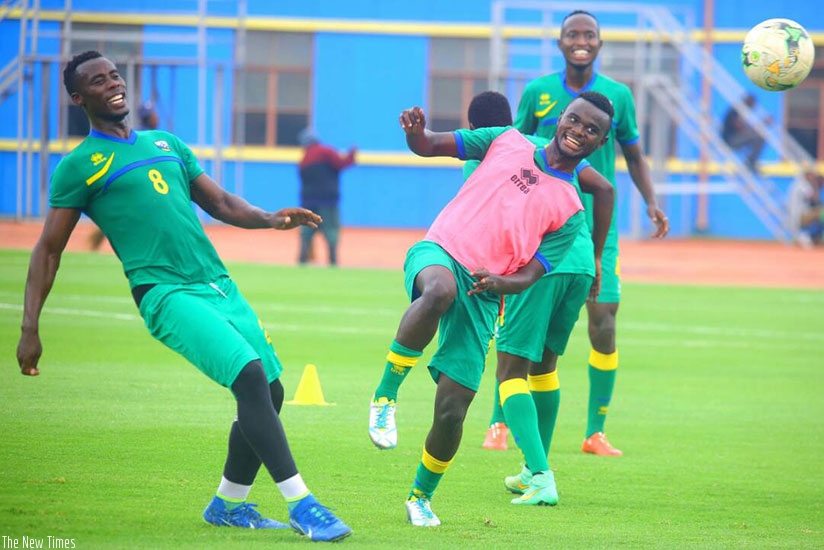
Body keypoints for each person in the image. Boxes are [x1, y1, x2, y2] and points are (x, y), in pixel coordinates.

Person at [15, 51, 351, 543]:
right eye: (97, 80)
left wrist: (271, 219)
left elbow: (221, 203)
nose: (112, 84)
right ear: (77, 97)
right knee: (250, 375)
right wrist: (30, 328)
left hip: (217, 284)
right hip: (166, 293)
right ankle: (303, 503)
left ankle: (229, 504)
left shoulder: (166, 143)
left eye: (114, 75)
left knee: (272, 391)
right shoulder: (78, 166)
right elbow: (47, 250)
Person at [369, 92, 615, 526]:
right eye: (575, 120)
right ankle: (386, 395)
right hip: (441, 251)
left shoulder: (572, 210)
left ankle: (420, 497)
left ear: (600, 143)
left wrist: (501, 283)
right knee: (439, 291)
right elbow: (429, 145)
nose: (579, 131)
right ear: (561, 118)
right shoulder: (506, 139)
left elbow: (533, 274)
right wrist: (414, 134)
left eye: (591, 130)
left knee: (453, 408)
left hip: (485, 293)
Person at [512, 10, 669, 457]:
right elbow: (513, 147)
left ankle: (594, 431)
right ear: (560, 43)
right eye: (572, 34)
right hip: (540, 224)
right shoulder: (537, 93)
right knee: (522, 321)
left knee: (603, 321)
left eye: (589, 35)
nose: (581, 41)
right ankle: (500, 421)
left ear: (600, 44)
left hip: (596, 226)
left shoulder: (618, 96)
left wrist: (651, 201)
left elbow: (635, 156)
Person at [464, 91, 617, 505]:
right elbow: (604, 189)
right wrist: (598, 258)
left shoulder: (520, 150)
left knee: (510, 369)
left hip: (544, 264)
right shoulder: (550, 156)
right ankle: (533, 468)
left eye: (589, 127)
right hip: (579, 261)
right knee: (545, 368)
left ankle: (542, 476)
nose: (578, 130)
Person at [89, 100, 160, 251]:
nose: (156, 117)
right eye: (153, 115)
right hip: (140, 182)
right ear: (148, 118)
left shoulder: (147, 135)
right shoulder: (142, 136)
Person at [296, 129, 356, 266]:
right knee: (331, 232)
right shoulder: (326, 151)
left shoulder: (304, 160)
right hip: (328, 200)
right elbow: (341, 164)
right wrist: (352, 155)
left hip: (308, 201)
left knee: (306, 232)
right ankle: (333, 262)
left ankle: (302, 261)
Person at [721, 93, 771, 174]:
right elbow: (739, 126)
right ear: (748, 102)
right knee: (756, 134)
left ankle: (751, 161)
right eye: (752, 104)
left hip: (738, 139)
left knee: (760, 138)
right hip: (730, 140)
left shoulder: (744, 112)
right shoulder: (735, 111)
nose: (753, 107)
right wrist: (762, 123)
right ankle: (750, 163)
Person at [787, 168, 824, 248]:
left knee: (820, 214)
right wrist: (816, 185)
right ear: (806, 176)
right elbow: (814, 198)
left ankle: (814, 237)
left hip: (798, 214)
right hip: (800, 215)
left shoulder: (797, 184)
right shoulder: (803, 185)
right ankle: (809, 236)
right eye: (811, 176)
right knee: (821, 213)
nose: (813, 178)